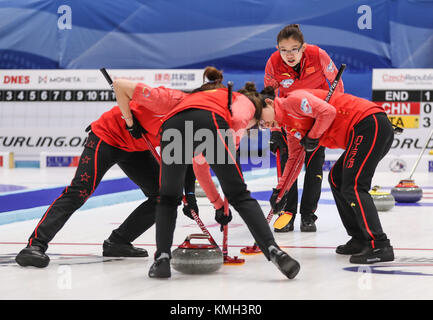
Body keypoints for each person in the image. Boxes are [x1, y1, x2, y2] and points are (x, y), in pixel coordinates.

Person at [116, 67, 300, 279]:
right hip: (209, 121)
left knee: (168, 198)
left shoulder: (199, 96)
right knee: (239, 194)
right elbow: (239, 120)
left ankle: (162, 258)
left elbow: (200, 167)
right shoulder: (243, 100)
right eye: (271, 122)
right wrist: (232, 152)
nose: (268, 126)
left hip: (173, 125)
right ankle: (274, 250)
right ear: (264, 103)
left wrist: (217, 202)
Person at [15, 81, 191, 268]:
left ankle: (118, 242)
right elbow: (120, 84)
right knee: (79, 191)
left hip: (136, 147)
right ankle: (35, 246)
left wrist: (189, 196)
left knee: (163, 196)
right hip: (107, 136)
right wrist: (130, 122)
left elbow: (184, 164)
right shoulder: (167, 99)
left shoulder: (193, 124)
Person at [259, 87, 395, 264]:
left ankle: (379, 244)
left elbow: (327, 111)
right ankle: (360, 238)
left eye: (261, 118)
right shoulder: (288, 126)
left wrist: (314, 135)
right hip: (363, 129)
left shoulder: (293, 100)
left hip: (369, 124)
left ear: (269, 103)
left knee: (353, 186)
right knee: (336, 180)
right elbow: (294, 158)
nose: (263, 125)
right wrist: (281, 191)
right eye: (258, 124)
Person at [264, 24, 344, 232]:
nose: (289, 55)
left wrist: (329, 118)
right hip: (290, 119)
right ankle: (287, 213)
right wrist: (274, 132)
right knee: (289, 164)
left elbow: (337, 84)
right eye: (284, 50)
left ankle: (308, 215)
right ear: (277, 48)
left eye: (294, 49)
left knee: (314, 167)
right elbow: (269, 101)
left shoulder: (318, 55)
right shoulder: (273, 63)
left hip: (317, 118)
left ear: (303, 47)